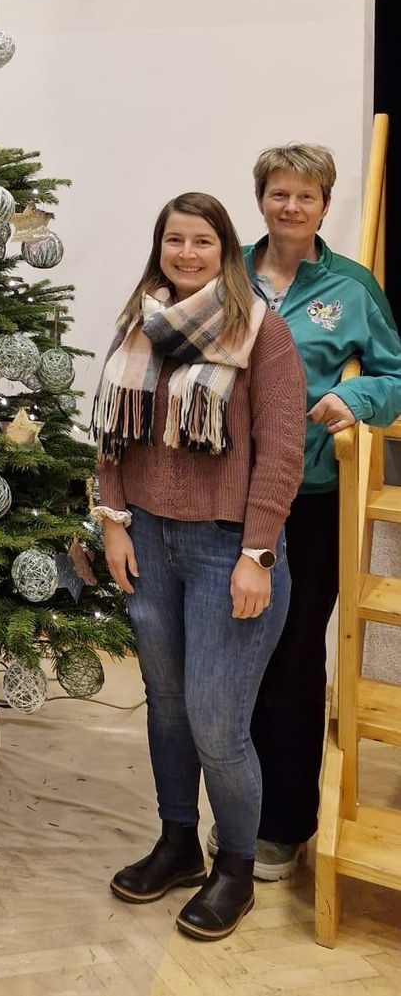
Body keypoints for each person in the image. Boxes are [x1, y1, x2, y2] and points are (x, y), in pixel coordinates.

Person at [93, 192, 306, 941]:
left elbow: (281, 452)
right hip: (148, 541)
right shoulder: (138, 326)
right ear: (160, 247)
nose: (186, 253)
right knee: (167, 706)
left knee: (218, 722)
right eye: (174, 240)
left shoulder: (262, 333)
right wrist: (112, 522)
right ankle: (178, 842)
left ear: (225, 251)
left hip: (227, 549)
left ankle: (236, 867)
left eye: (203, 242)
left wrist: (257, 554)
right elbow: (112, 439)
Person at [225, 144, 401, 879]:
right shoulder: (225, 269)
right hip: (225, 497)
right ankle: (232, 813)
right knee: (233, 657)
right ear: (260, 198)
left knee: (295, 658)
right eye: (278, 193)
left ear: (326, 205)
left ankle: (282, 824)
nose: (290, 207)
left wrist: (353, 398)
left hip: (311, 502)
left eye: (306, 196)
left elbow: (393, 377)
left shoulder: (353, 287)